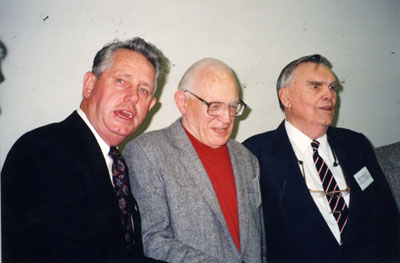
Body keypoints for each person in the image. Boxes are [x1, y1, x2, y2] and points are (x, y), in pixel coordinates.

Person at [1, 37, 168, 262]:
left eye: (144, 91)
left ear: (149, 106)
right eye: (121, 81)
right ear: (89, 85)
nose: (132, 97)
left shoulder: (116, 163)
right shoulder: (42, 151)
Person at [243, 54, 400, 262]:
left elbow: (389, 221)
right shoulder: (255, 154)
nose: (329, 95)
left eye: (332, 87)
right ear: (286, 97)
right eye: (316, 86)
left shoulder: (356, 144)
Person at [124, 58, 266, 263]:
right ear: (183, 102)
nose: (227, 118)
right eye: (215, 106)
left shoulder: (247, 159)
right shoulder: (148, 152)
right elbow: (152, 240)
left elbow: (259, 243)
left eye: (233, 106)